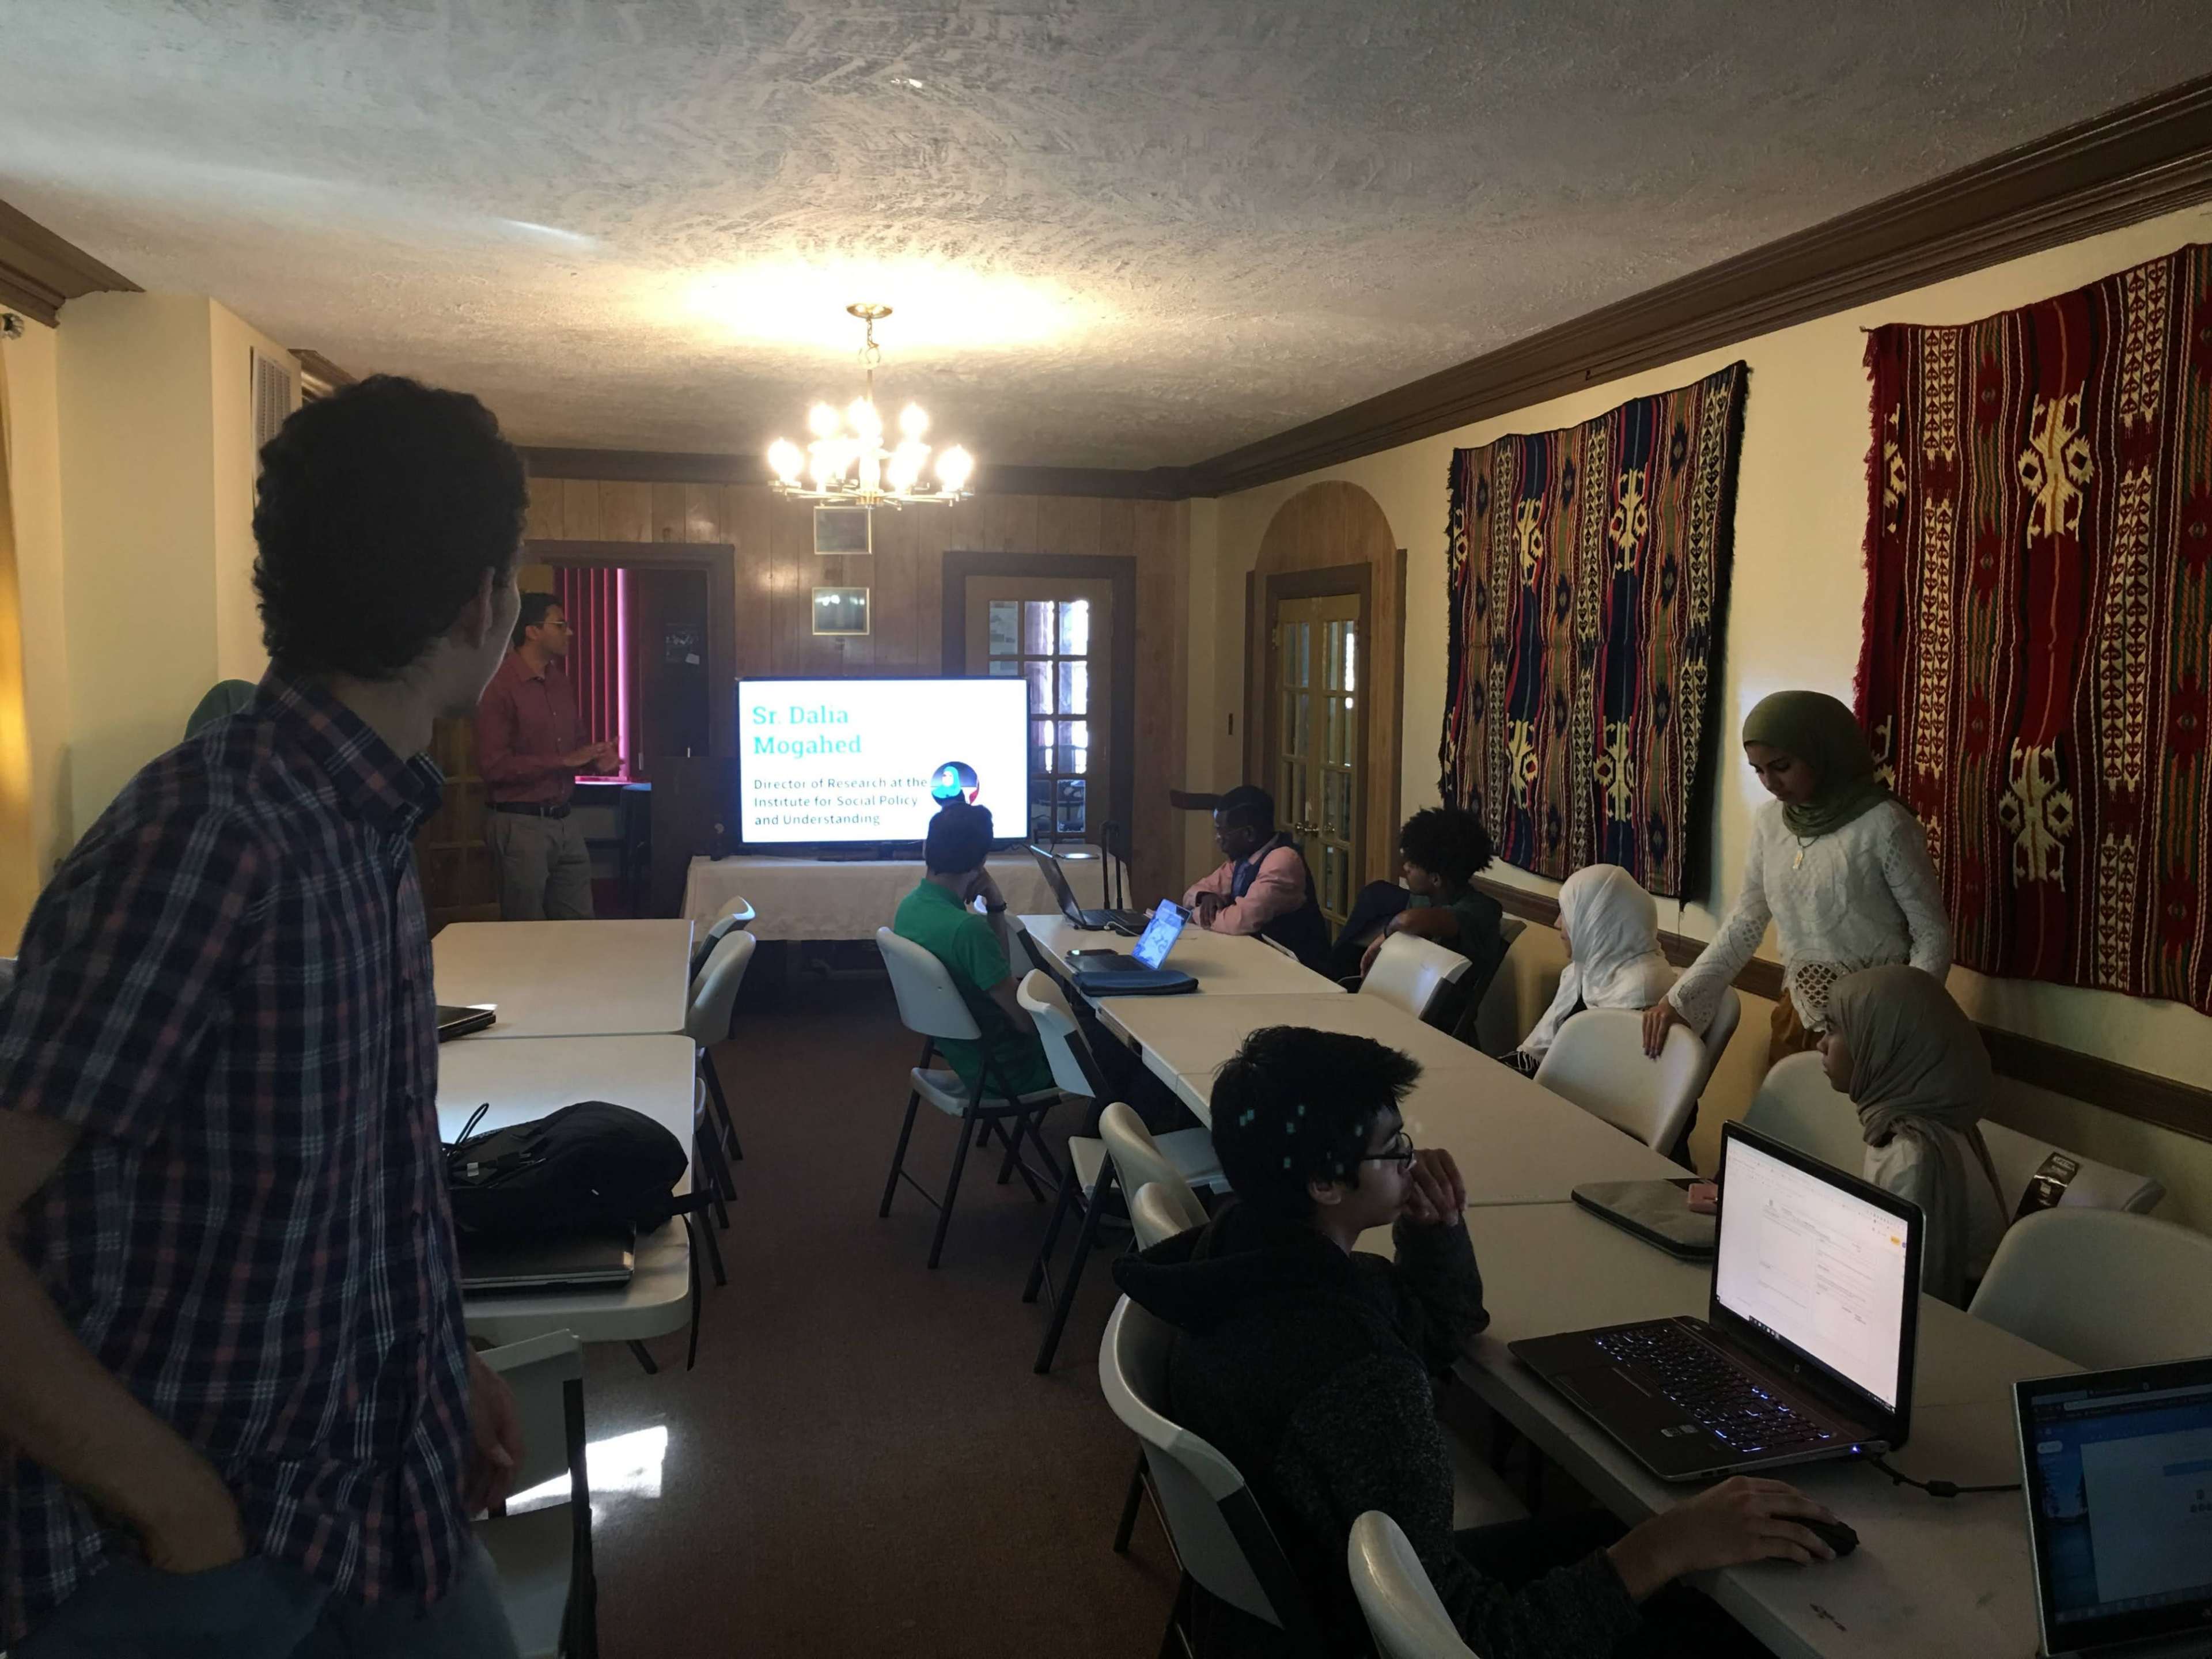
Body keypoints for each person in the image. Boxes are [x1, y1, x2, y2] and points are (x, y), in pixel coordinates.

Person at [0, 375, 530, 1657]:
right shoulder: (212, 836)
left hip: (375, 1487)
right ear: (481, 604)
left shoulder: (365, 816)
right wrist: (168, 1496)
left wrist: (440, 1361)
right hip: (183, 1554)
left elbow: (370, 1170)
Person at [1115, 1025, 1842, 1658]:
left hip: (1313, 1590)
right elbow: (1484, 1640)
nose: (1412, 1157)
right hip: (1374, 1625)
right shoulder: (1357, 1377)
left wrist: (1436, 1235)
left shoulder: (1240, 1256)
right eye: (1392, 1147)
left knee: (1623, 1535)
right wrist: (1669, 1544)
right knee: (1708, 1608)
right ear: (1323, 1184)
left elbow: (1441, 1324)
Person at [1645, 690, 1949, 1066]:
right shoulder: (1771, 822)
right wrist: (1680, 1000)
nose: (1769, 781)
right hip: (1798, 1016)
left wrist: (1900, 1023)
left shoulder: (1884, 826)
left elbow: (1932, 934)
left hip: (1874, 1028)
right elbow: (1746, 921)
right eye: (1758, 770)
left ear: (1822, 753)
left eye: (1781, 766)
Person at [1820, 966, 2008, 1307]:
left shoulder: (1914, 1154)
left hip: (1957, 1321)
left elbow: (1901, 1288)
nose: (1820, 1044)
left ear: (1879, 1046)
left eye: (1834, 1030)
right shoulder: (1905, 1125)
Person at [892, 801, 1054, 1098]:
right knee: (1112, 1044)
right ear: (980, 863)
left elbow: (998, 970)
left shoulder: (909, 910)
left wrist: (995, 907)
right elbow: (1026, 1023)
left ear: (927, 848)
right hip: (1011, 1071)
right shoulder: (967, 931)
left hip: (967, 1059)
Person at [475, 591, 616, 921]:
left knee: (579, 925)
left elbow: (575, 748)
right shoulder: (498, 684)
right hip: (520, 824)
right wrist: (561, 762)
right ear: (532, 630)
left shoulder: (559, 681)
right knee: (526, 932)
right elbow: (492, 766)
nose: (569, 632)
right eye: (561, 624)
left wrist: (598, 759)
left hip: (565, 821)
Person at [1511, 863, 1679, 1076]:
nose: (1557, 924)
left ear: (1596, 921)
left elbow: (1607, 1083)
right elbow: (1536, 1053)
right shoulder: (1583, 972)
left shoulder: (1642, 992)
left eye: (1567, 914)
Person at [1327, 804, 1506, 986]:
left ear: (1436, 879)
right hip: (1402, 986)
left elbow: (1408, 921)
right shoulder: (1424, 897)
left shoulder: (1482, 911)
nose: (1405, 868)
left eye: (1412, 865)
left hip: (1435, 1009)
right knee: (1376, 894)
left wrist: (1387, 933)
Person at [1179, 785, 1330, 971]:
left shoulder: (1282, 861)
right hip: (1263, 963)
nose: (1218, 839)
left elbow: (1240, 921)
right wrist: (1204, 897)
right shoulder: (1245, 857)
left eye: (1223, 833)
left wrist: (1196, 914)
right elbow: (1191, 893)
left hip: (1302, 973)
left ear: (1248, 833)